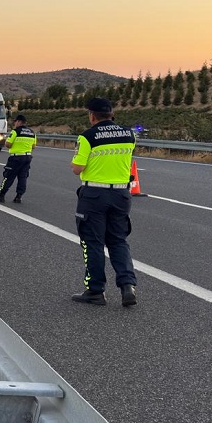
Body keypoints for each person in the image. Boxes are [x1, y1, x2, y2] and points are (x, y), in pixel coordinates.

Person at [70, 97, 138, 307]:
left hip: (94, 195)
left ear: (92, 115)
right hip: (121, 194)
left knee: (93, 242)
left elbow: (77, 168)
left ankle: (95, 290)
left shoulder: (87, 136)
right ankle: (128, 286)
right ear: (111, 114)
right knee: (118, 240)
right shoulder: (129, 134)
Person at [0, 114, 37, 204]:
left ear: (19, 122)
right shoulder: (32, 132)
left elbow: (8, 144)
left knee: (8, 176)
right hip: (27, 157)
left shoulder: (15, 131)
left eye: (15, 121)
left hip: (16, 157)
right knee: (23, 177)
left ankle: (1, 196)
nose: (14, 123)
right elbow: (34, 146)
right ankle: (18, 197)